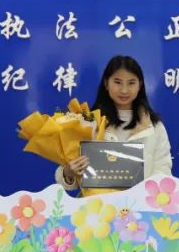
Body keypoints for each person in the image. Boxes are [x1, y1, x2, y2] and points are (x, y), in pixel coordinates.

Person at [55, 55, 172, 192]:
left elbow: (163, 169)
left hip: (140, 203)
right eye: (117, 82)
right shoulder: (88, 123)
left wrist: (144, 197)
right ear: (106, 83)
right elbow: (69, 175)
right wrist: (68, 173)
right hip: (97, 204)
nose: (124, 90)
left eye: (131, 83)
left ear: (139, 85)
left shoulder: (154, 126)